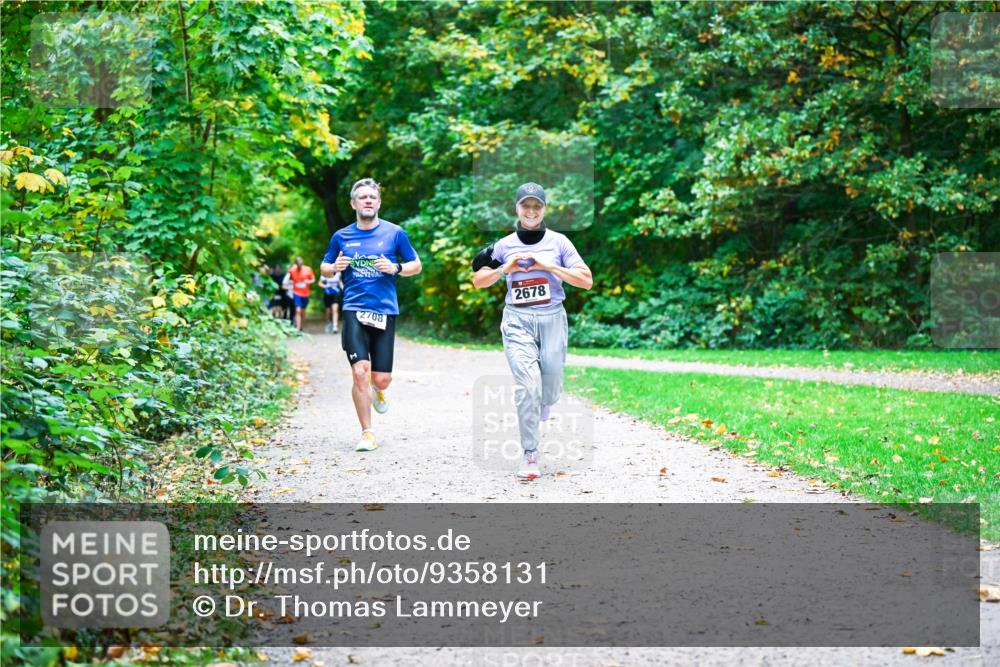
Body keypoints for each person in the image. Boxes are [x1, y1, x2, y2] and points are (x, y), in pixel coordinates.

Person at [471, 182, 593, 480]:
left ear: (544, 209)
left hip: (553, 319)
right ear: (517, 208)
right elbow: (478, 279)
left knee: (549, 389)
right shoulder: (504, 245)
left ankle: (544, 401)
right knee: (528, 385)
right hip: (517, 320)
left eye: (536, 206)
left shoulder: (559, 243)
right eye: (526, 206)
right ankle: (529, 454)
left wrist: (549, 267)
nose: (531, 211)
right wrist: (504, 269)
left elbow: (586, 280)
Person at [320, 178, 422, 452]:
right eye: (362, 197)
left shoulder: (395, 233)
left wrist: (396, 268)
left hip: (385, 310)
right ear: (354, 203)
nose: (368, 201)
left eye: (372, 197)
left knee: (381, 378)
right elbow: (324, 267)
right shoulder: (342, 236)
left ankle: (379, 390)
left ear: (378, 202)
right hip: (354, 308)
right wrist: (333, 268)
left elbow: (416, 264)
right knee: (359, 371)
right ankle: (367, 433)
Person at [288, 256, 315, 331]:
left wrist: (308, 282)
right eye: (298, 265)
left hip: (305, 293)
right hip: (296, 293)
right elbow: (289, 279)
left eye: (301, 264)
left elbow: (313, 279)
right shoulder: (292, 270)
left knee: (302, 311)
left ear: (302, 263)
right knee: (298, 310)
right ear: (296, 264)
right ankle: (298, 328)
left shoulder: (308, 269)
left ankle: (301, 327)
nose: (299, 266)